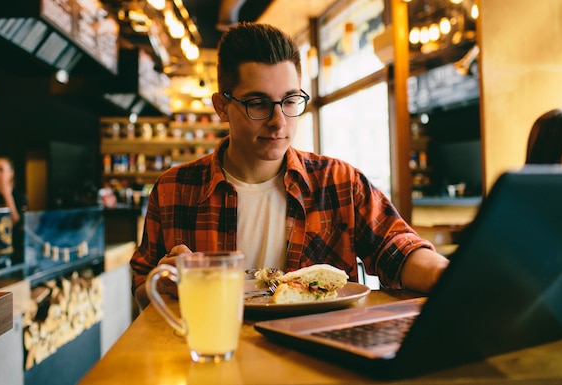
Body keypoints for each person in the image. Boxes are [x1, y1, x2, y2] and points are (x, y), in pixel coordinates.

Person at [130, 22, 449, 309]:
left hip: (318, 356)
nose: (278, 121)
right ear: (222, 107)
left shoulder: (339, 182)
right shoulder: (174, 190)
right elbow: (142, 287)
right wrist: (165, 282)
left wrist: (446, 275)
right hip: (213, 356)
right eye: (258, 103)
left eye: (290, 101)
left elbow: (397, 249)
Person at [0, 156, 28, 256]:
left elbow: (15, 221)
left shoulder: (19, 196)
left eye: (0, 169)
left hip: (13, 250)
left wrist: (6, 194)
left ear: (11, 173)